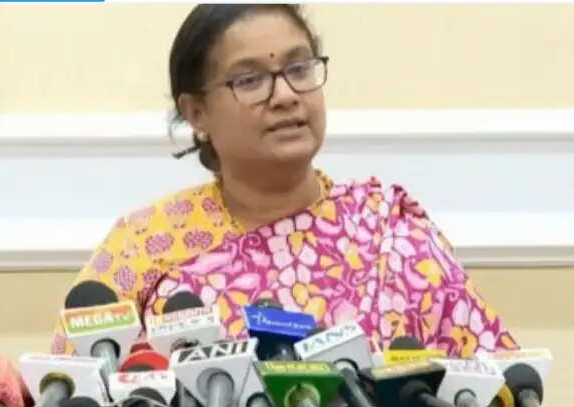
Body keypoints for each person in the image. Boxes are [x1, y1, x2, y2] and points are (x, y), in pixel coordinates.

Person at [51, 4, 518, 358]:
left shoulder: (392, 236)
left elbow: (495, 383)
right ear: (197, 113)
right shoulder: (144, 246)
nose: (286, 95)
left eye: (299, 69)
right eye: (250, 80)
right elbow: (75, 384)